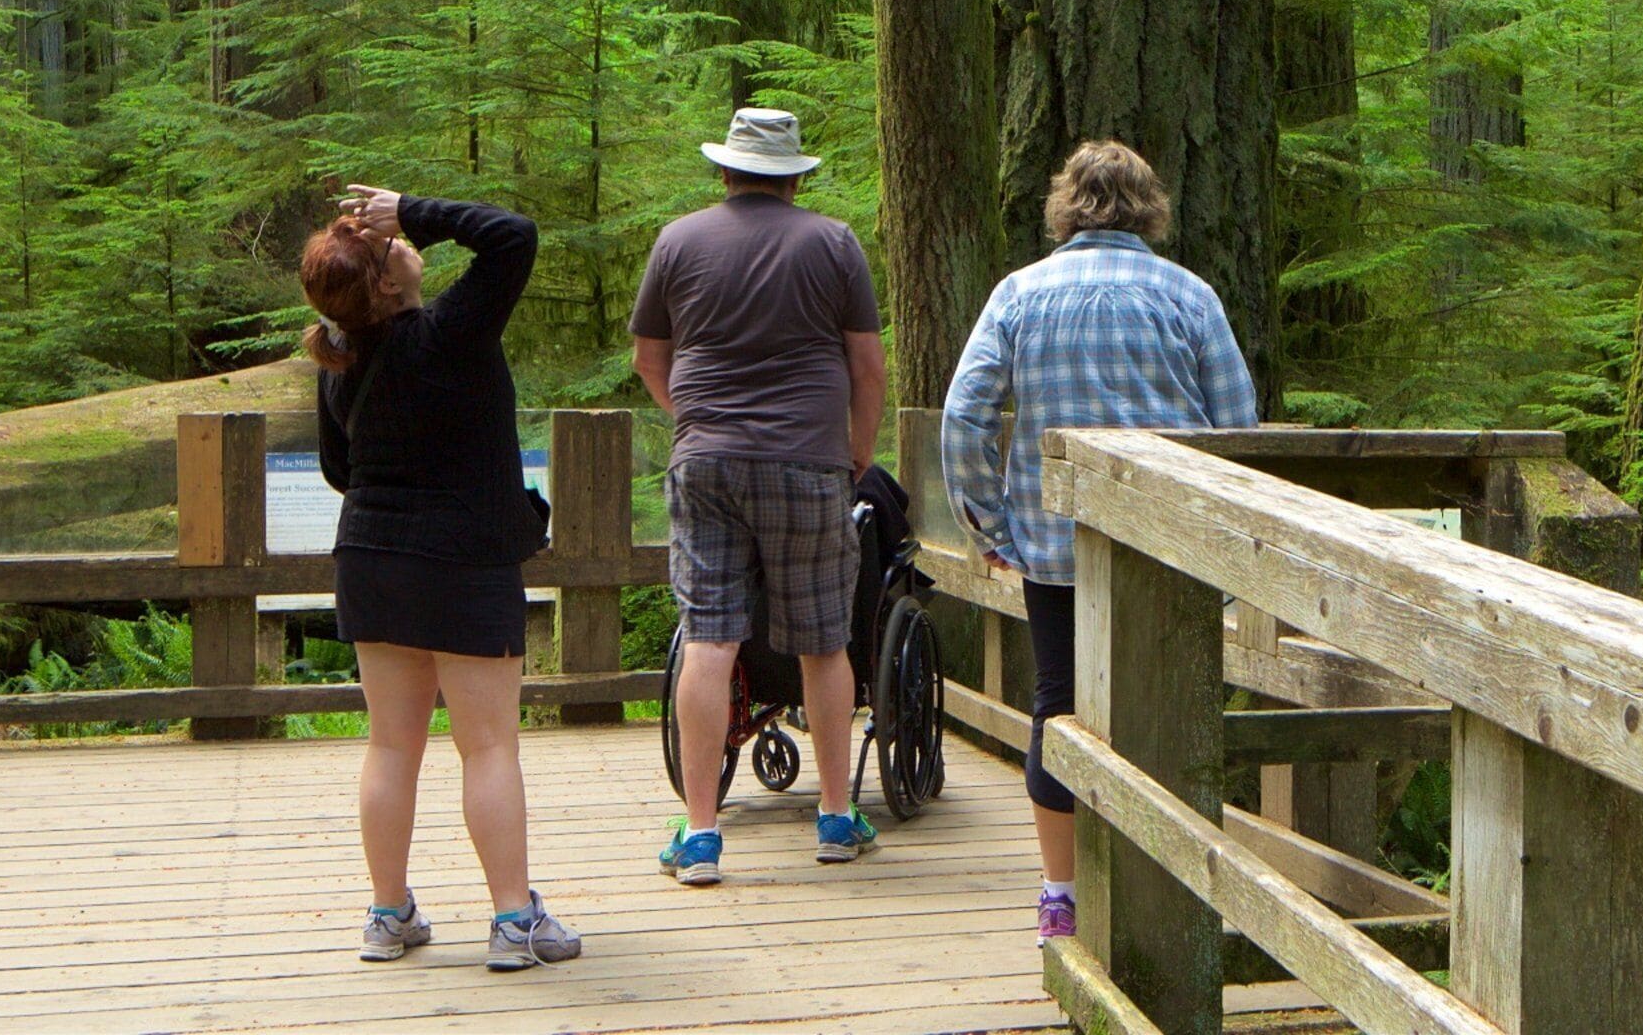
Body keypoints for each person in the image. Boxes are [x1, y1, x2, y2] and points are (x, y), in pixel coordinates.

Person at [940, 140, 1260, 942]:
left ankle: (1061, 892)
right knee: (1170, 711)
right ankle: (1165, 896)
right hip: (1169, 554)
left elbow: (963, 418)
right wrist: (1228, 552)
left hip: (1055, 547)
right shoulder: (1190, 297)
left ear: (1065, 207)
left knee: (1059, 706)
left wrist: (990, 524)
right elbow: (1241, 431)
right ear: (1148, 206)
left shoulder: (1019, 294)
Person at [307, 182, 583, 972]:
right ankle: (513, 922)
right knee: (489, 746)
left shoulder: (340, 357)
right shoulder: (451, 333)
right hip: (465, 560)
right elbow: (513, 234)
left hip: (373, 561)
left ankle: (387, 917)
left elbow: (338, 469)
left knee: (392, 747)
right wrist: (413, 209)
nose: (402, 241)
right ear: (389, 283)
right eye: (392, 247)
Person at [631, 106, 890, 882]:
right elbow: (867, 366)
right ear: (795, 178)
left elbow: (650, 358)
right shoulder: (834, 243)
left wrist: (696, 421)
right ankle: (837, 817)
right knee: (822, 639)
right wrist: (857, 452)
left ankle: (703, 833)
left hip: (706, 462)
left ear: (725, 169)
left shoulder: (678, 240)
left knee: (710, 637)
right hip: (808, 461)